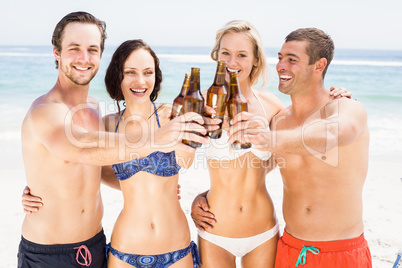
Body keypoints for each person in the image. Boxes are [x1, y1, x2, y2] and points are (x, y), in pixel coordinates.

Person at [18, 11, 207, 268]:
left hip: (94, 246)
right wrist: (159, 139)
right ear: (56, 52)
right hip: (49, 253)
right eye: (74, 48)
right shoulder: (45, 110)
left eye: (92, 49)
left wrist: (146, 186)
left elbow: (96, 166)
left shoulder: (94, 109)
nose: (84, 58)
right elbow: (83, 150)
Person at [190, 21, 352, 268]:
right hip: (215, 230)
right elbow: (176, 161)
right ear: (217, 56)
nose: (232, 62)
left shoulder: (271, 105)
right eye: (226, 53)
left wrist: (338, 98)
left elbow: (298, 143)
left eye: (242, 55)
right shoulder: (200, 104)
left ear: (255, 60)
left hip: (262, 230)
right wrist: (199, 197)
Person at [228, 28, 371, 267]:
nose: (281, 65)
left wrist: (269, 139)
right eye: (280, 57)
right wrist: (208, 197)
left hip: (341, 253)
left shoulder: (346, 108)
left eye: (292, 60)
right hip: (290, 250)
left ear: (319, 65)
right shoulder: (280, 120)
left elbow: (334, 133)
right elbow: (255, 173)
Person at [102, 39, 208, 268]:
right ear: (117, 76)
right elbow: (88, 169)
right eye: (130, 72)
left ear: (155, 76)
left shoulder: (172, 115)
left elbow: (186, 160)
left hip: (176, 250)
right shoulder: (108, 125)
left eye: (148, 72)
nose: (140, 81)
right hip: (125, 252)